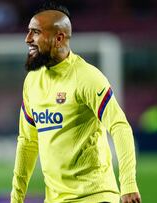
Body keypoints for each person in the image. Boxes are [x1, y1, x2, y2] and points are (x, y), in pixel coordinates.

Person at [11, 2, 141, 203]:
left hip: (95, 196)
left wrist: (128, 184)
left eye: (35, 32)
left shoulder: (87, 77)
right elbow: (27, 142)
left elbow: (120, 126)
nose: (28, 39)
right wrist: (16, 198)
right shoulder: (32, 81)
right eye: (28, 32)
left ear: (59, 38)